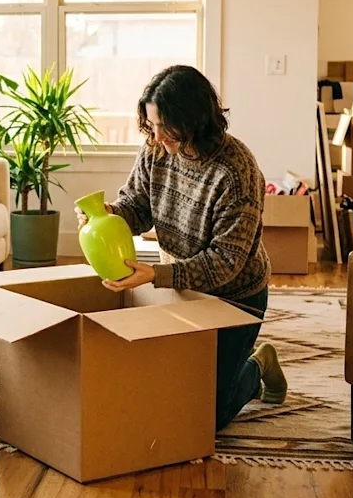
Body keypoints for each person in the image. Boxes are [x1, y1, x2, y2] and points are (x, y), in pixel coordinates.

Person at [74, 64, 286, 431]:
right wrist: (107, 215)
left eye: (164, 127)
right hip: (179, 289)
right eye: (151, 125)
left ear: (194, 119)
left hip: (235, 297)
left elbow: (225, 262)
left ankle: (259, 363)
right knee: (166, 390)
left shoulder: (236, 172)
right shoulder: (156, 151)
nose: (156, 137)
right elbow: (138, 206)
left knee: (209, 415)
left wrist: (156, 275)